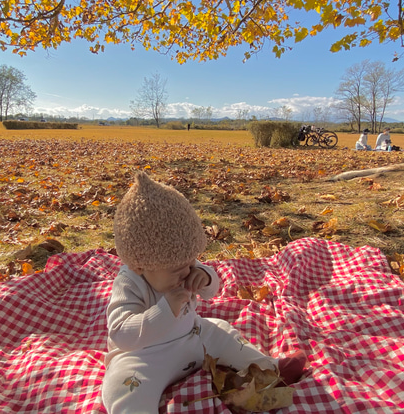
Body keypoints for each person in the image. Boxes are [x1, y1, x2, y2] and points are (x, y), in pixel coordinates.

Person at [101, 172, 307, 413]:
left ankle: (270, 370)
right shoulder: (129, 284)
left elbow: (211, 291)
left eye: (192, 263)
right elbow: (121, 335)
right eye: (179, 269)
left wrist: (206, 277)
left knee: (223, 332)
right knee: (124, 387)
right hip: (146, 357)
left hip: (194, 336)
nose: (187, 272)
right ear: (140, 265)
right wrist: (165, 309)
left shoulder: (184, 263)